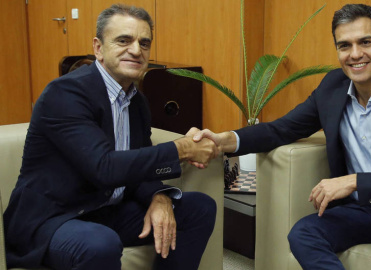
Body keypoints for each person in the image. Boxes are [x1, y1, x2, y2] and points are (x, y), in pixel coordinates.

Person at [190, 4, 371, 270]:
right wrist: (225, 140)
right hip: (365, 211)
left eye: (365, 42)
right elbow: (282, 129)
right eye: (345, 46)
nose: (355, 54)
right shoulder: (333, 87)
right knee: (304, 233)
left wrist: (354, 181)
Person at [3, 4, 218, 270]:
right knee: (100, 243)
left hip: (107, 210)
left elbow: (137, 166)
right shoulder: (66, 94)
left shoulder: (137, 101)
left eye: (144, 43)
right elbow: (103, 167)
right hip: (53, 218)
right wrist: (181, 149)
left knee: (199, 208)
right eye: (124, 40)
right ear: (98, 48)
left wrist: (159, 196)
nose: (137, 51)